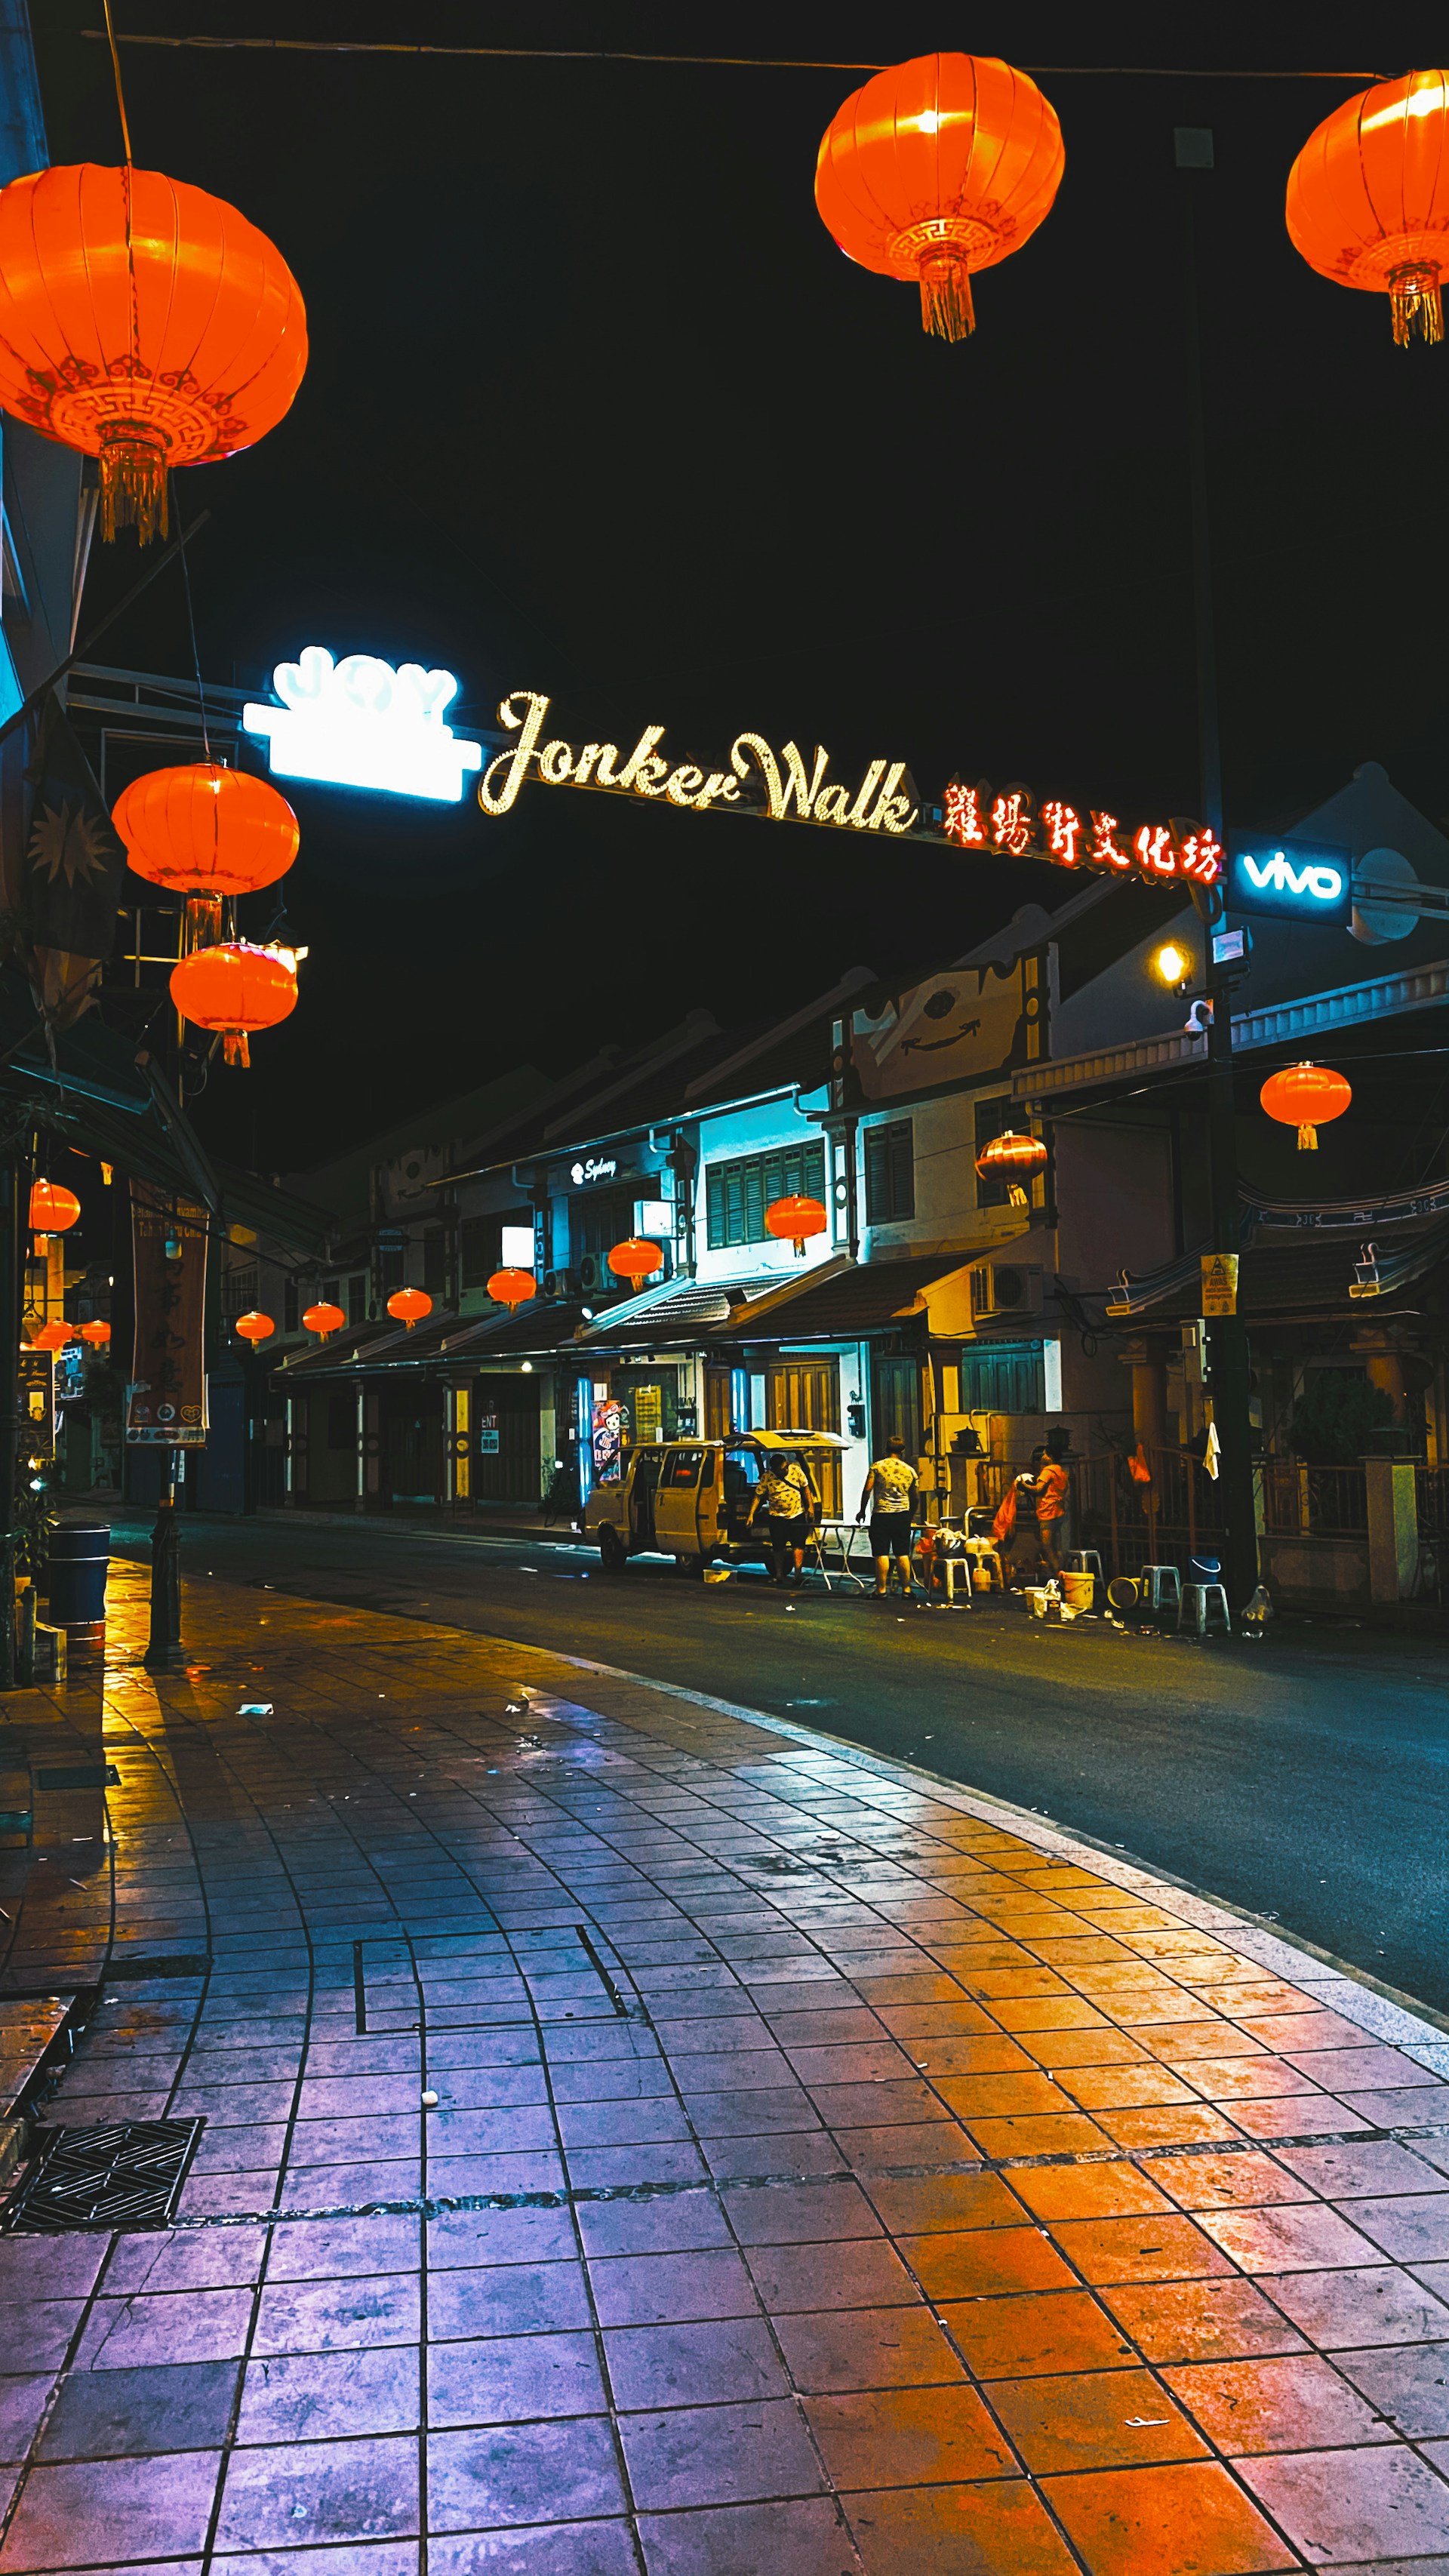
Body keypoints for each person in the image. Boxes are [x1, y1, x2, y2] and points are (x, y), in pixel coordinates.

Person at [857, 1434, 920, 1599]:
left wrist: (862, 1510)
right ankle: (906, 1590)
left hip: (882, 1515)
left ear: (886, 1449)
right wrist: (910, 1515)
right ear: (902, 1452)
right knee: (902, 1553)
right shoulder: (910, 1471)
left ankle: (881, 1590)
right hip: (902, 1516)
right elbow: (916, 1497)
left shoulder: (877, 1467)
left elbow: (867, 1490)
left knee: (881, 1553)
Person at [748, 1454, 812, 1586]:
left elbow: (806, 1489)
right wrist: (751, 1514)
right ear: (774, 1470)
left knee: (798, 1545)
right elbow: (758, 1495)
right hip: (776, 1516)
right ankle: (779, 1575)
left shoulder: (796, 1471)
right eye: (781, 1470)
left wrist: (810, 1507)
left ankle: (798, 1575)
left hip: (797, 1514)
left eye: (785, 1468)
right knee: (778, 1547)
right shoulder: (768, 1477)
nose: (784, 1471)